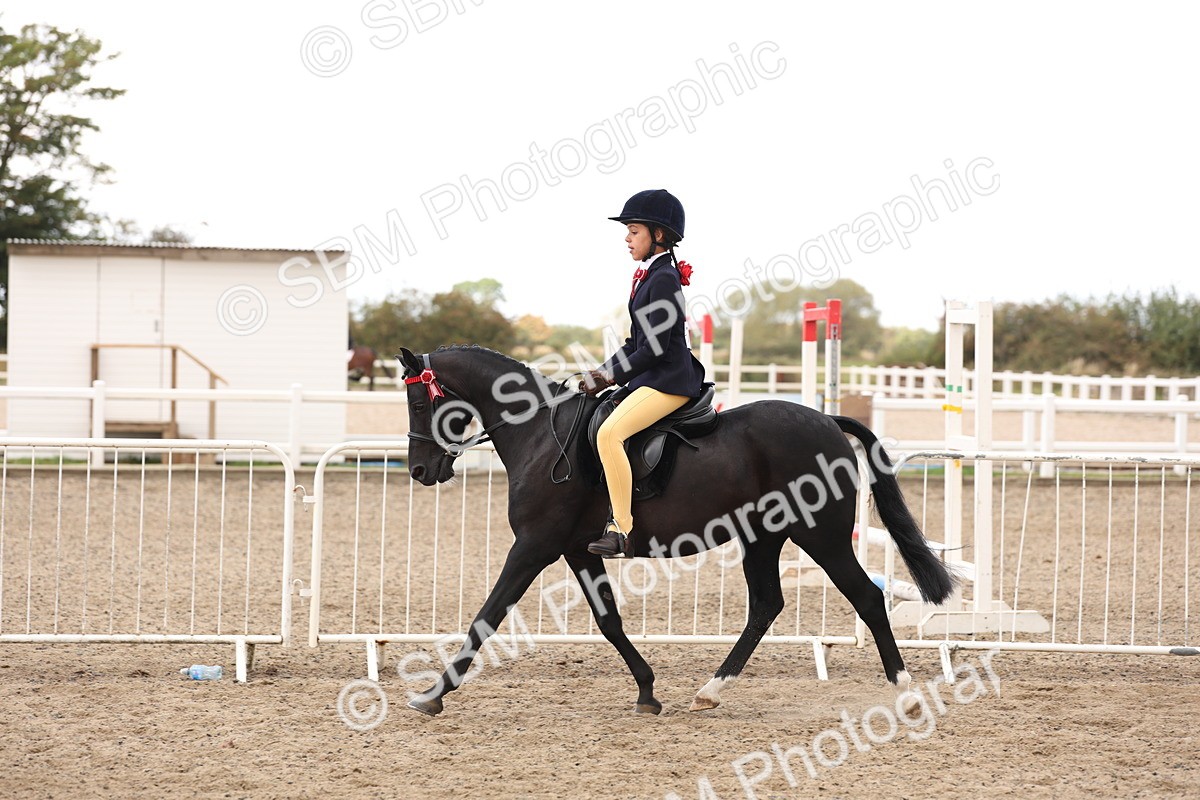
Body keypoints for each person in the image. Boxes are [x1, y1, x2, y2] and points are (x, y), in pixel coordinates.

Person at [580, 189, 706, 558]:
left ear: (659, 236)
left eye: (633, 231)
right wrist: (600, 372)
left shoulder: (664, 278)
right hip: (651, 377)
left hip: (669, 381)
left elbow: (652, 350)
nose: (626, 238)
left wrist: (611, 377)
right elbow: (636, 342)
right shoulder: (648, 277)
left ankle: (621, 529)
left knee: (610, 434)